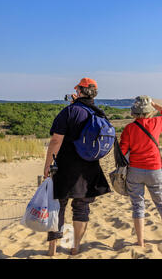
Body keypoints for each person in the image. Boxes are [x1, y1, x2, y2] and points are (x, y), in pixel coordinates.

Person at [44, 78, 111, 256]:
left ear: (80, 91)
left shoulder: (70, 111)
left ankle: (53, 250)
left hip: (65, 168)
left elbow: (56, 140)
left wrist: (47, 164)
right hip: (89, 168)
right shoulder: (99, 113)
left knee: (57, 207)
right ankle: (76, 247)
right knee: (82, 208)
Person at [119, 96, 162, 246]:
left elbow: (122, 151)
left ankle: (140, 241)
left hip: (134, 171)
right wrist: (155, 104)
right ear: (149, 111)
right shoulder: (156, 122)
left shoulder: (129, 128)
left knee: (138, 206)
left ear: (134, 112)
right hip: (154, 170)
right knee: (161, 203)